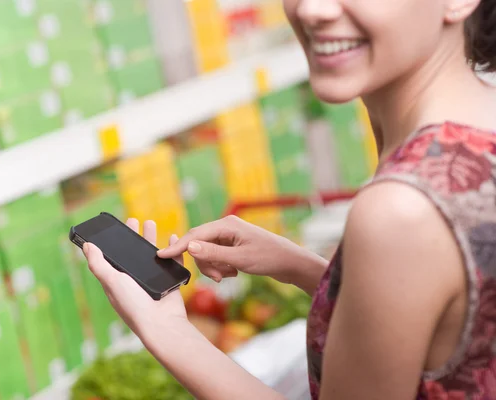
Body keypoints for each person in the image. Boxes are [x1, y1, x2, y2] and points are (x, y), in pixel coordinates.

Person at [81, 0, 496, 398]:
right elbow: (457, 331)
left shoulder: (402, 210)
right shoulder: (476, 122)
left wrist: (166, 329)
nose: (312, 8)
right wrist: (300, 266)